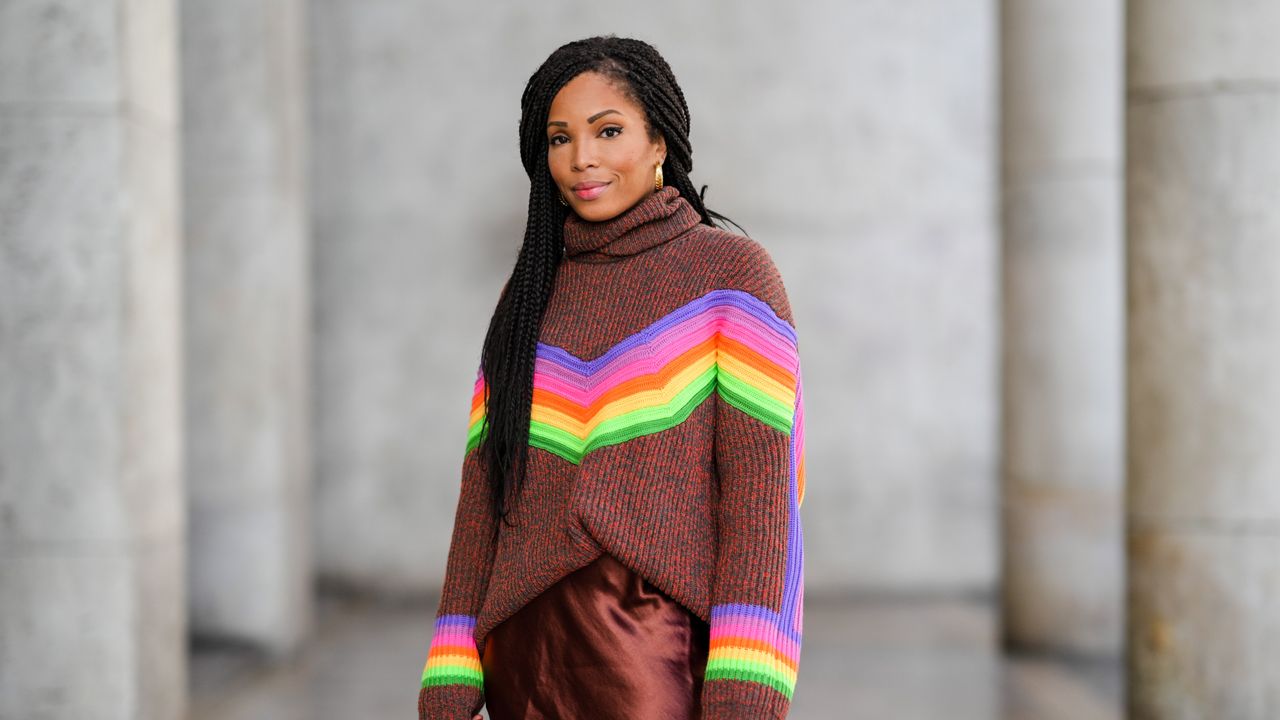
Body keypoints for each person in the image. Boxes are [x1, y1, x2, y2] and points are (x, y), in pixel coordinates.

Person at [418, 35, 806, 720]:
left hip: (653, 649)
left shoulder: (732, 276)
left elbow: (761, 495)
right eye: (560, 138)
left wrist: (748, 677)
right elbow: (483, 488)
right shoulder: (530, 290)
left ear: (660, 144)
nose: (582, 158)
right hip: (523, 650)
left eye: (608, 131)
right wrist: (451, 660)